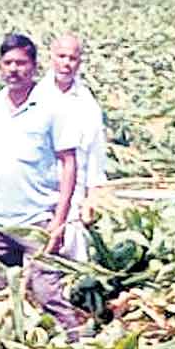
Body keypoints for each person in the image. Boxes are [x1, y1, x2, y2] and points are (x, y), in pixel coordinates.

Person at [0, 34, 87, 332]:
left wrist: (59, 221)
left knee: (46, 292)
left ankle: (74, 344)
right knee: (0, 292)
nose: (13, 69)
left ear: (33, 66)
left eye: (21, 63)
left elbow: (69, 162)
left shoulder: (52, 108)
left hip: (36, 221)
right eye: (7, 63)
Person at [34, 33, 107, 260]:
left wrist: (92, 195)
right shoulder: (35, 95)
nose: (66, 63)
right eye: (61, 56)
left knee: (71, 252)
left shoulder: (87, 103)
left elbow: (95, 151)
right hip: (38, 187)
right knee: (36, 248)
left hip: (74, 190)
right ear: (51, 57)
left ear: (80, 62)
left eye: (72, 58)